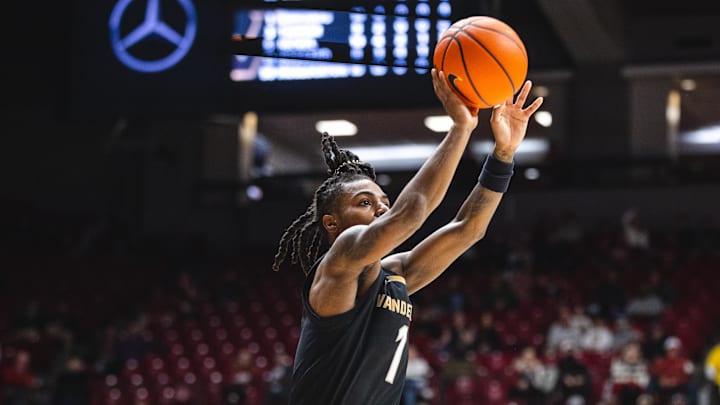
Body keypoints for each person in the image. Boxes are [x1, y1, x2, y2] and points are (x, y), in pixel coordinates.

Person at [271, 69, 543, 405]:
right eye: (365, 203)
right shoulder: (338, 263)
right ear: (332, 223)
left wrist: (503, 155)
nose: (382, 209)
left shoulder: (394, 275)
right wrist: (461, 128)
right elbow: (411, 213)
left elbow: (469, 228)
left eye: (385, 202)